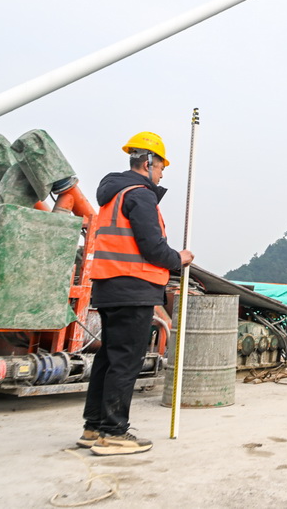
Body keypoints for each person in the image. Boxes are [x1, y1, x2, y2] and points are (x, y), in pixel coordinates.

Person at [79, 132, 194, 456]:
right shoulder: (140, 196)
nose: (161, 174)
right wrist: (179, 259)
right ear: (148, 162)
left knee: (108, 358)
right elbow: (153, 247)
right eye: (160, 168)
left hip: (108, 287)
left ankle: (94, 426)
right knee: (126, 362)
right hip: (134, 288)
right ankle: (114, 433)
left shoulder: (112, 195)